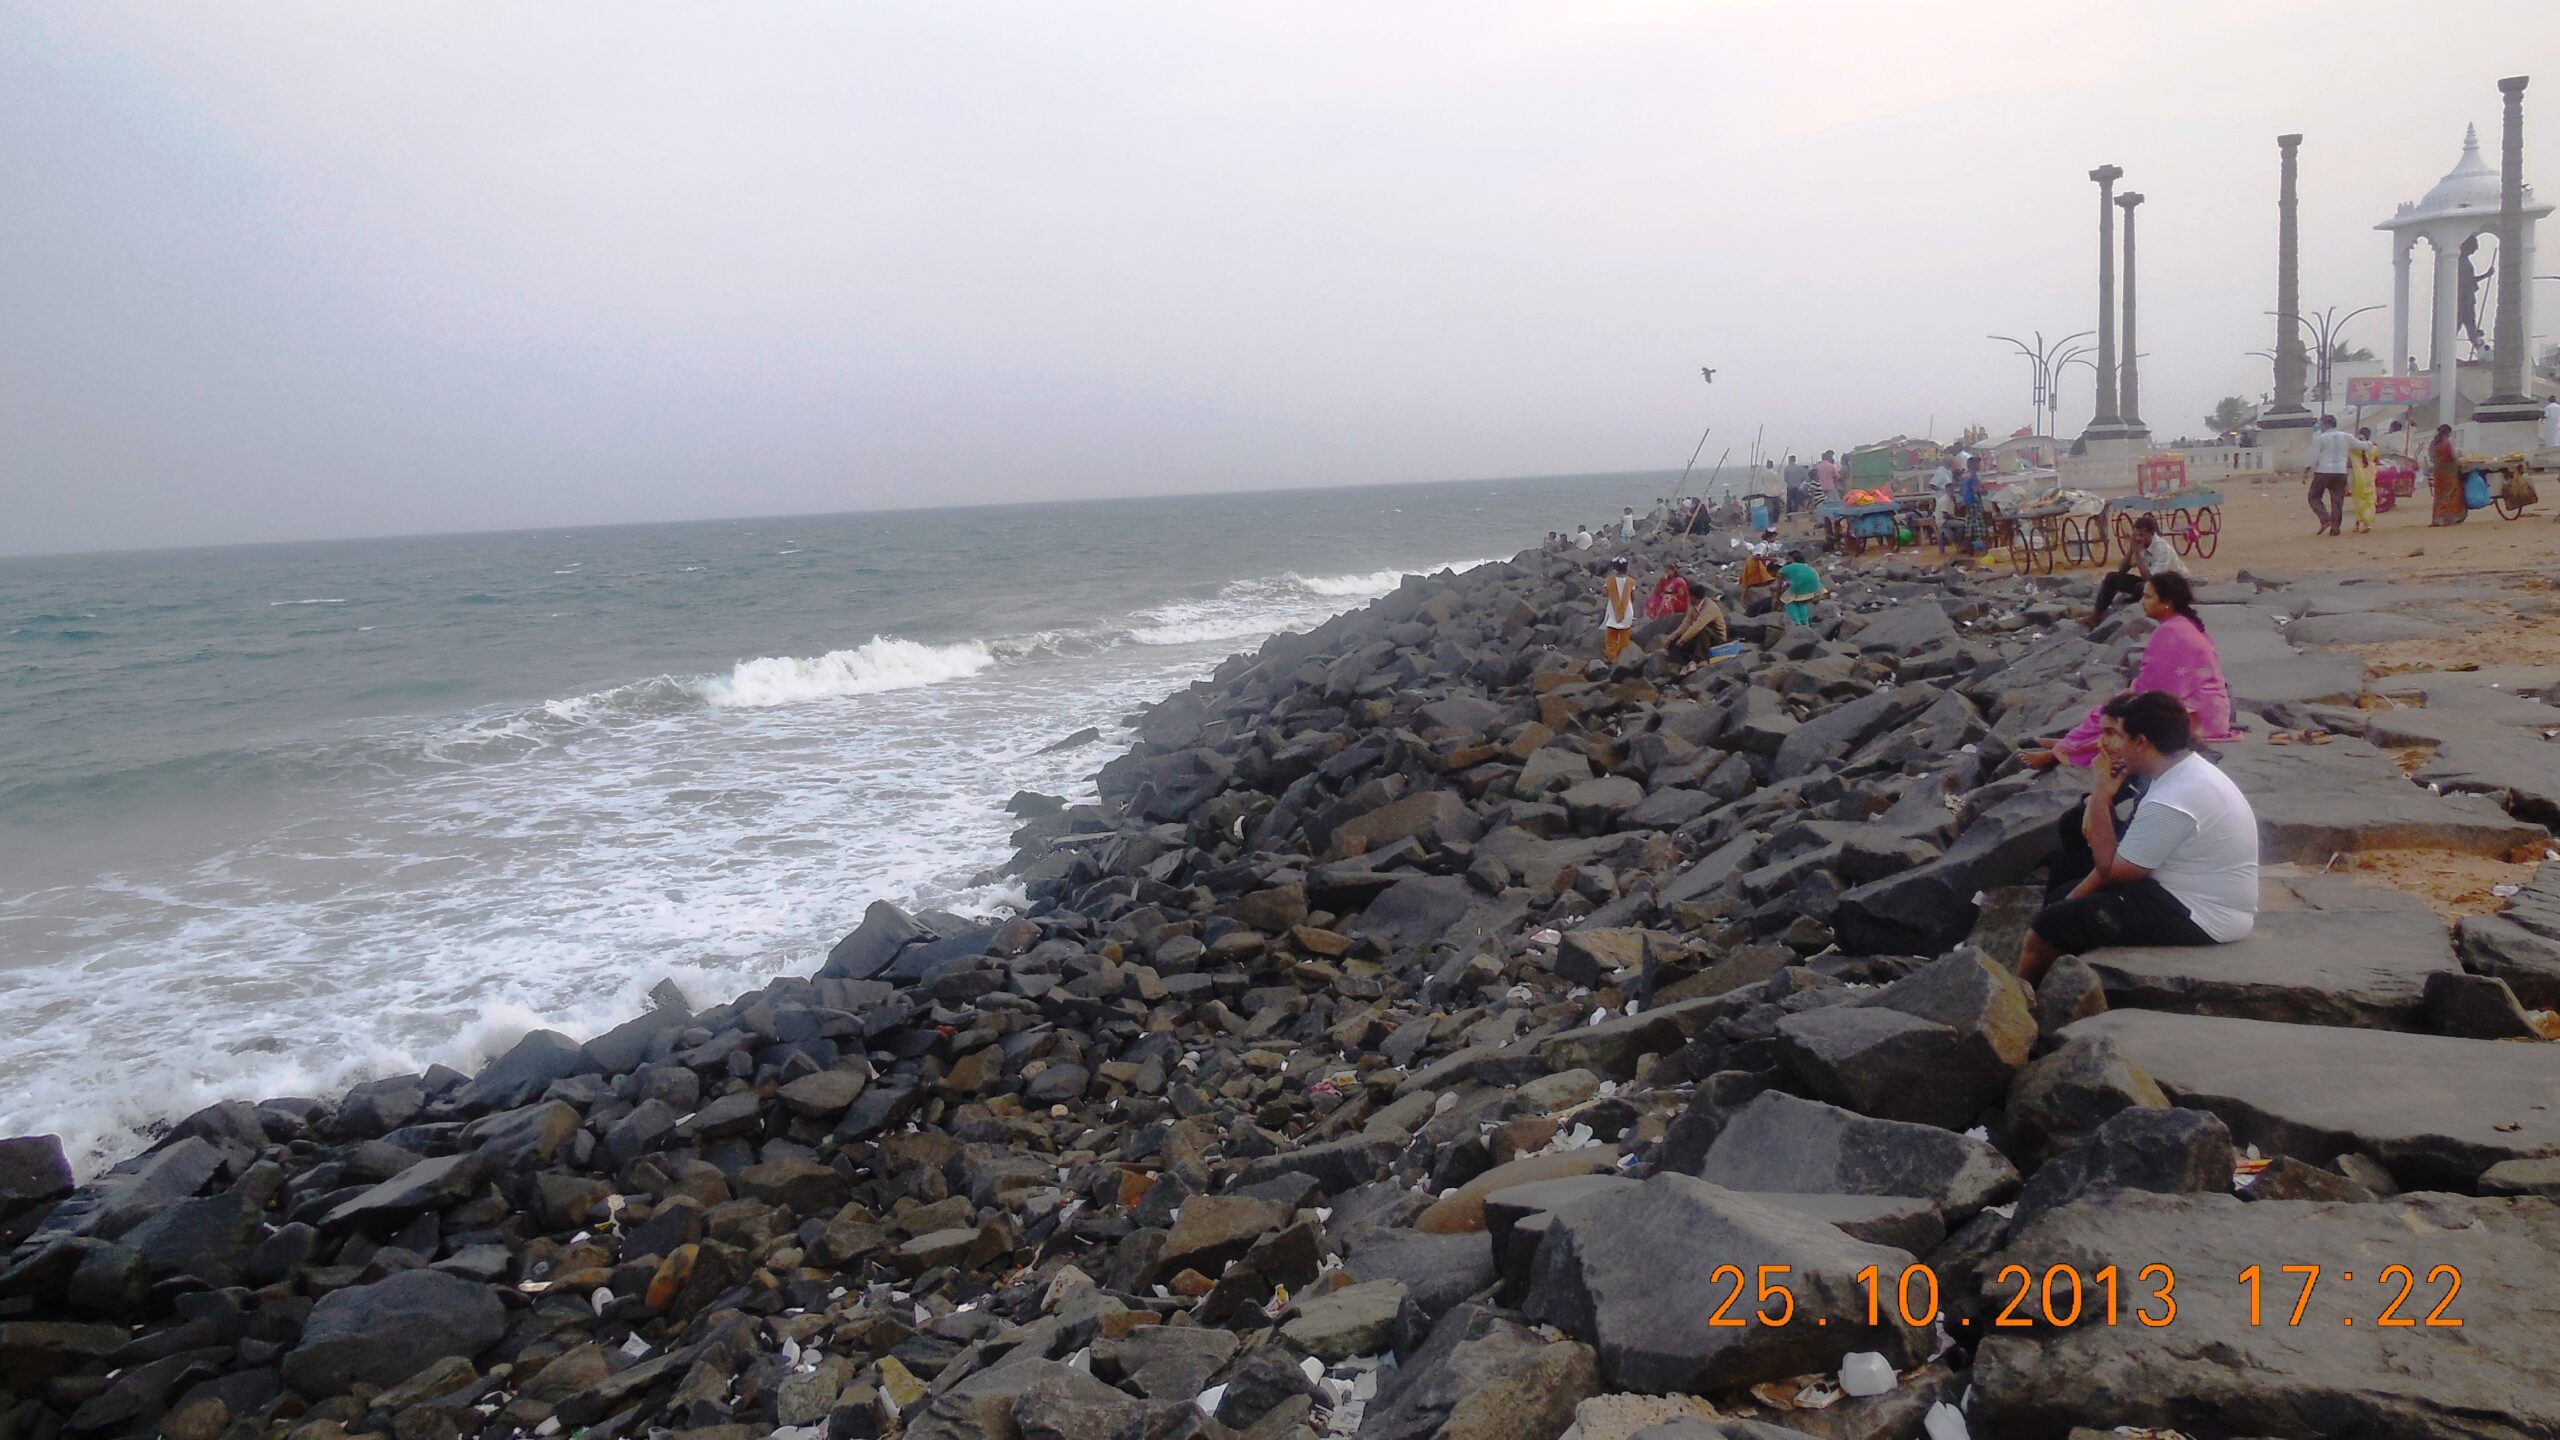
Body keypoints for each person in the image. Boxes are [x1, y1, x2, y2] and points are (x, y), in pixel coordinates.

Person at [2018, 689, 2259, 984]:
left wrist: (2101, 794)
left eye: (2119, 736)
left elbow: (2112, 871)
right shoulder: (2186, 771)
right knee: (2064, 893)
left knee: (2050, 924)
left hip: (2202, 915)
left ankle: (2021, 1003)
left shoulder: (2173, 798)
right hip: (2191, 895)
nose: (2111, 745)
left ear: (2141, 742)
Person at [2027, 573, 2238, 770]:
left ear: (2167, 602)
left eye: (2148, 597)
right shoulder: (2184, 624)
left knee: (2115, 718)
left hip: (2198, 718)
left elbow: (2156, 689)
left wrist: (2130, 694)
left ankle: (2061, 755)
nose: (2142, 602)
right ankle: (2068, 744)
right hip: (2210, 712)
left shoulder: (2171, 632)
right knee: (2113, 709)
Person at [2081, 514, 2185, 626]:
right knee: (2112, 578)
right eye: (2136, 534)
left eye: (2141, 534)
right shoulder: (2140, 545)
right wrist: (2131, 551)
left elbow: (2151, 580)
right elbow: (2122, 571)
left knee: (2142, 587)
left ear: (2151, 534)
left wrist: (2138, 555)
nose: (2138, 538)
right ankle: (2096, 615)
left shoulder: (2162, 549)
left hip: (2171, 584)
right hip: (2153, 580)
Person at [2306, 415, 2351, 536]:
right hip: (2341, 472)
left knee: (2313, 497)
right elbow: (2362, 446)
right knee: (2337, 500)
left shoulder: (2320, 438)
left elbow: (2313, 456)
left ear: (2325, 424)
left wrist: (2307, 470)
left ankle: (2325, 519)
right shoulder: (2346, 436)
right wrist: (2368, 444)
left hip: (2323, 471)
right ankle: (2336, 528)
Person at [1667, 585, 1730, 665]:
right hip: (1701, 637)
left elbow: (1697, 626)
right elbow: (1686, 624)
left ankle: (1702, 659)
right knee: (1676, 641)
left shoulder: (1709, 607)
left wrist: (1683, 640)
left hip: (1717, 637)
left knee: (1702, 630)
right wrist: (1671, 638)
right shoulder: (1694, 607)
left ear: (1693, 597)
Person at [1600, 556, 1638, 663]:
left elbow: (1604, 593)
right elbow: (1633, 597)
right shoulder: (1631, 581)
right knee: (1624, 634)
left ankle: (1612, 656)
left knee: (1611, 635)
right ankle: (1622, 656)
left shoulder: (1609, 580)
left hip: (1613, 609)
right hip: (1627, 610)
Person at [2428, 423, 2466, 527]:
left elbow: (2432, 458)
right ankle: (2447, 518)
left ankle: (2437, 519)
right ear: (2448, 433)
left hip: (2438, 472)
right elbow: (2453, 458)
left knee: (2439, 496)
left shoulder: (2433, 444)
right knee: (2451, 494)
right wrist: (2459, 456)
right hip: (2449, 472)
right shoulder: (2446, 443)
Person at [2347, 427, 2380, 534]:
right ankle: (2367, 523)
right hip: (2369, 474)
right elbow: (2377, 460)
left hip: (2357, 475)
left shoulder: (2353, 449)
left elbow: (2348, 462)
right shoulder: (2374, 448)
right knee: (2369, 499)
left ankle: (2357, 524)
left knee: (2357, 500)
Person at [1778, 551, 1826, 626]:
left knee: (1788, 600)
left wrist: (1779, 597)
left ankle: (1796, 621)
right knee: (1801, 602)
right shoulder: (1806, 566)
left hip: (1801, 582)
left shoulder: (1783, 569)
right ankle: (1805, 622)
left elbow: (1779, 585)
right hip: (1815, 584)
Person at [1738, 543, 1779, 615]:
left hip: (1757, 563)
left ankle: (1743, 601)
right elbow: (1756, 557)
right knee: (1748, 582)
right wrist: (1769, 559)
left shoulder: (1767, 545)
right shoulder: (1762, 545)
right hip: (1754, 563)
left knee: (1750, 582)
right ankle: (1742, 601)